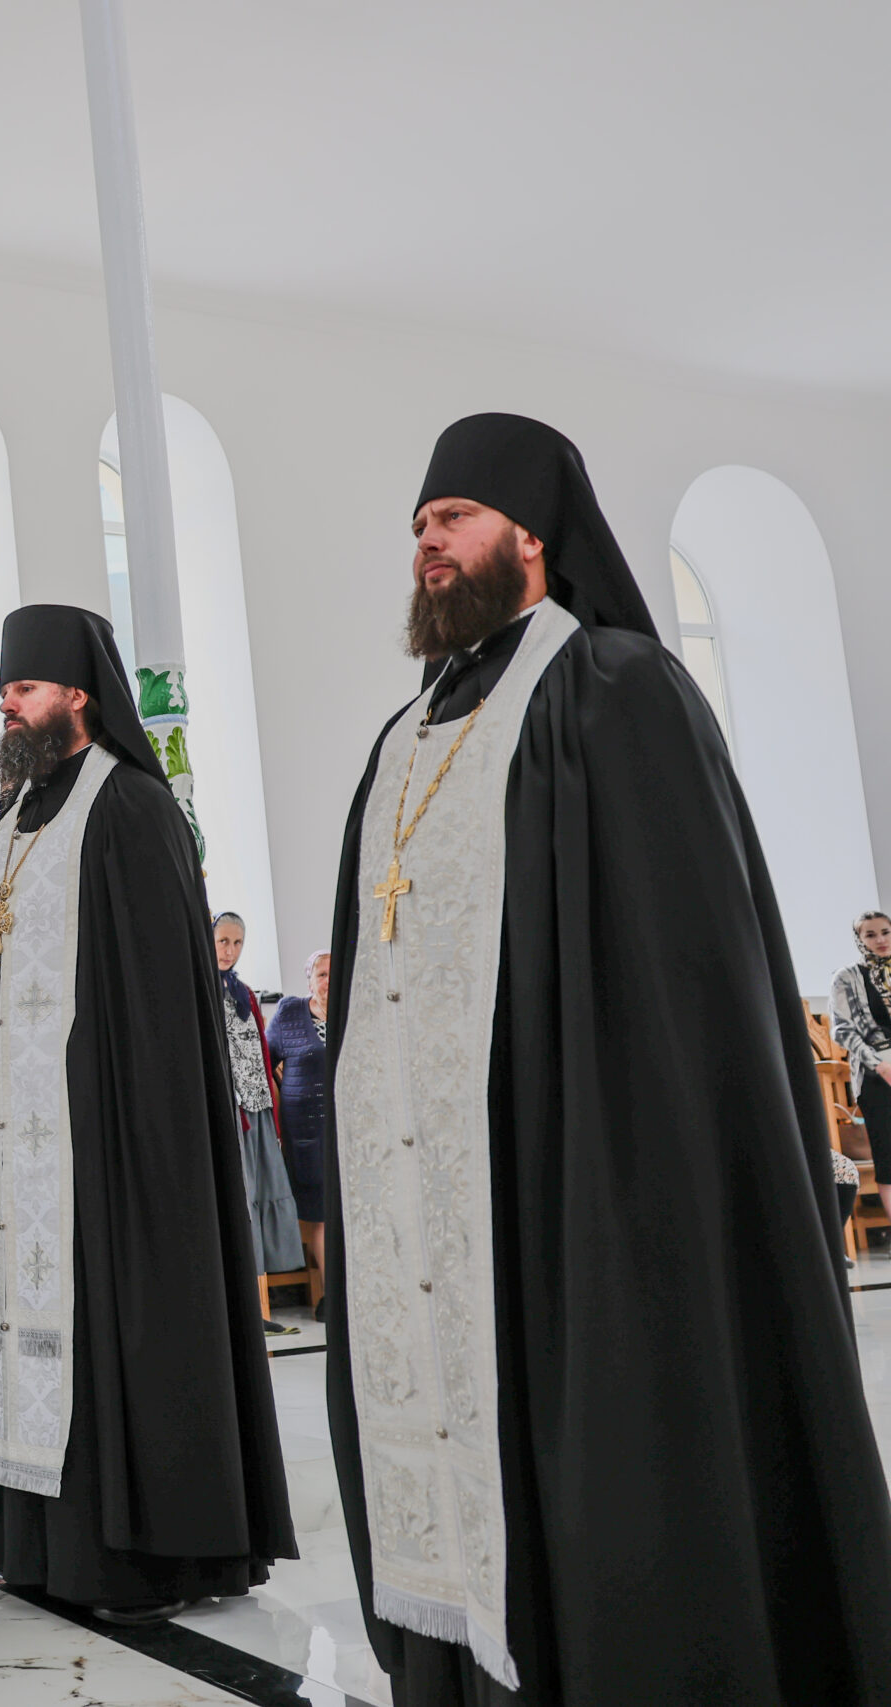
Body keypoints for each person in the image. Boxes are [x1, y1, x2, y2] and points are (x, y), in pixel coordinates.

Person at [321, 413, 891, 1706]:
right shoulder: (403, 737)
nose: (428, 543)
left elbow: (679, 977)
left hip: (583, 1160)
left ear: (533, 534)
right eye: (418, 525)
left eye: (453, 518)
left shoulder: (614, 685)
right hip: (436, 1185)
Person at [0, 603, 294, 1625]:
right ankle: (37, 1548)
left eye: (24, 689)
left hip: (106, 1143)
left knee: (113, 1331)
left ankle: (136, 1560)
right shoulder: (9, 824)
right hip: (11, 1152)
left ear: (78, 695)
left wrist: (119, 1126)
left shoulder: (131, 807)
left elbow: (159, 1007)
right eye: (3, 692)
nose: (8, 706)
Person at [213, 912, 304, 1334]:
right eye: (223, 941)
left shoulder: (244, 993)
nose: (229, 950)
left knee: (263, 1194)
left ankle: (261, 1307)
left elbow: (262, 1055)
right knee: (241, 1198)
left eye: (237, 943)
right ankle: (244, 1312)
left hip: (257, 1107)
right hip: (230, 1109)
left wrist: (272, 1106)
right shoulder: (201, 988)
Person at [264, 950, 332, 1284]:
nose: (329, 981)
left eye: (335, 973)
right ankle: (335, 1295)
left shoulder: (357, 1011)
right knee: (321, 1214)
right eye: (322, 974)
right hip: (307, 1132)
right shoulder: (290, 1013)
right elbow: (265, 1059)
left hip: (351, 1131)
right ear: (309, 981)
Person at [829, 910, 891, 1164]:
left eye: (885, 932)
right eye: (870, 935)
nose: (880, 940)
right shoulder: (846, 977)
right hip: (875, 1069)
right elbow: (841, 1029)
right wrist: (879, 1065)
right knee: (888, 1157)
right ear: (859, 939)